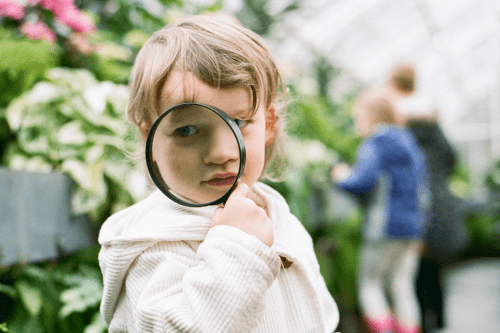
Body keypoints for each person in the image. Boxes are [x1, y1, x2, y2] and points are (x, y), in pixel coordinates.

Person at [97, 14, 339, 333]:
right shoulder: (155, 244)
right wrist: (237, 250)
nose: (222, 153)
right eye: (187, 130)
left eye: (239, 123)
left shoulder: (280, 218)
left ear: (268, 124)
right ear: (150, 141)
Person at [331, 89, 430, 333]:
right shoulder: (410, 143)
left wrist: (341, 176)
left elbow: (361, 182)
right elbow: (423, 191)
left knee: (370, 285)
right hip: (412, 229)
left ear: (370, 116)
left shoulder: (376, 143)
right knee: (402, 286)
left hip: (383, 227)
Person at [385, 62, 470, 333]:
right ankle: (440, 323)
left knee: (412, 275)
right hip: (441, 206)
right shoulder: (434, 124)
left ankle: (423, 324)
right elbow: (451, 159)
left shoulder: (397, 124)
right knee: (435, 271)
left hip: (412, 207)